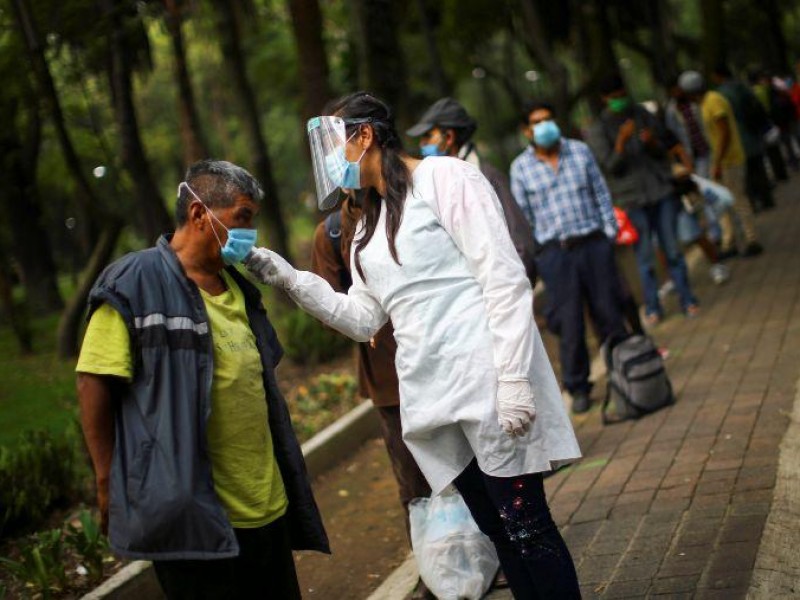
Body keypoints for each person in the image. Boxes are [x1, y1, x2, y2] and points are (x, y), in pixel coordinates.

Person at [247, 92, 582, 598]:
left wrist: (513, 377)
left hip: (488, 380)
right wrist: (290, 279)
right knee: (497, 533)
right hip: (433, 396)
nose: (331, 164)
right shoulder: (366, 223)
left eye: (335, 146)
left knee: (528, 528)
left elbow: (504, 278)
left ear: (365, 136)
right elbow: (363, 318)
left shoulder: (445, 178)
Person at [76, 160, 328, 599]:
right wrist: (106, 482)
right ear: (199, 214)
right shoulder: (134, 283)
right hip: (192, 515)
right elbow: (93, 382)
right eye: (242, 218)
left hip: (264, 504)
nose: (250, 233)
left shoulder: (238, 289)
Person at [311, 195, 435, 600]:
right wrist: (365, 314)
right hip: (389, 380)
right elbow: (328, 308)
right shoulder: (330, 232)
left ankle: (497, 552)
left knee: (470, 462)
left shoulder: (413, 203)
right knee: (413, 482)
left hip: (441, 361)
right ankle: (437, 570)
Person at [509, 100, 628, 414]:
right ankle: (578, 386)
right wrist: (541, 255)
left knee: (608, 311)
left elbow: (600, 191)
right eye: (537, 121)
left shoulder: (579, 151)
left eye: (548, 118)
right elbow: (523, 219)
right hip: (556, 255)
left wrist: (609, 232)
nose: (545, 125)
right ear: (526, 130)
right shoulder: (520, 168)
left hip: (593, 244)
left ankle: (625, 370)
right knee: (570, 323)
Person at [587, 73, 699, 327]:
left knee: (672, 250)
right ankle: (652, 307)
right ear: (605, 99)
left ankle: (687, 298)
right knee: (645, 256)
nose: (619, 101)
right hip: (632, 200)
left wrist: (651, 143)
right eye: (613, 98)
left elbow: (664, 150)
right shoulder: (600, 128)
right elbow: (610, 166)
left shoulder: (641, 114)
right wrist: (622, 141)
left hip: (660, 191)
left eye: (621, 95)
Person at [406, 97, 538, 286]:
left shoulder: (487, 176)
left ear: (449, 137)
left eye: (428, 136)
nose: (422, 143)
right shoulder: (431, 182)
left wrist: (514, 289)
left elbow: (520, 242)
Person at [678, 70, 764, 260]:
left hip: (729, 160)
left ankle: (751, 239)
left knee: (737, 199)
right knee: (720, 203)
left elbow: (724, 133)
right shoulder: (705, 103)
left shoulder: (713, 101)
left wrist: (717, 162)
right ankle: (729, 240)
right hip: (721, 160)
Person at [711, 64, 779, 213]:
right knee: (758, 166)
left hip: (738, 135)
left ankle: (753, 201)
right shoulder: (741, 87)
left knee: (746, 172)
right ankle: (766, 198)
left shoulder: (720, 94)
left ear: (718, 76)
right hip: (752, 131)